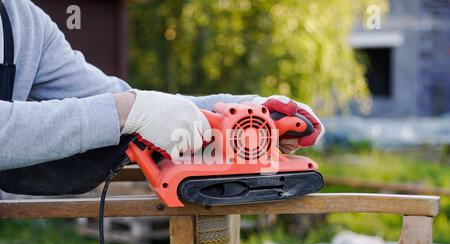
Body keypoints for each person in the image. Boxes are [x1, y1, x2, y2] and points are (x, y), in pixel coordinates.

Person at [0, 0, 324, 172]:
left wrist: (253, 109)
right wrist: (130, 110)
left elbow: (111, 99)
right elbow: (124, 109)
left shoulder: (23, 22)